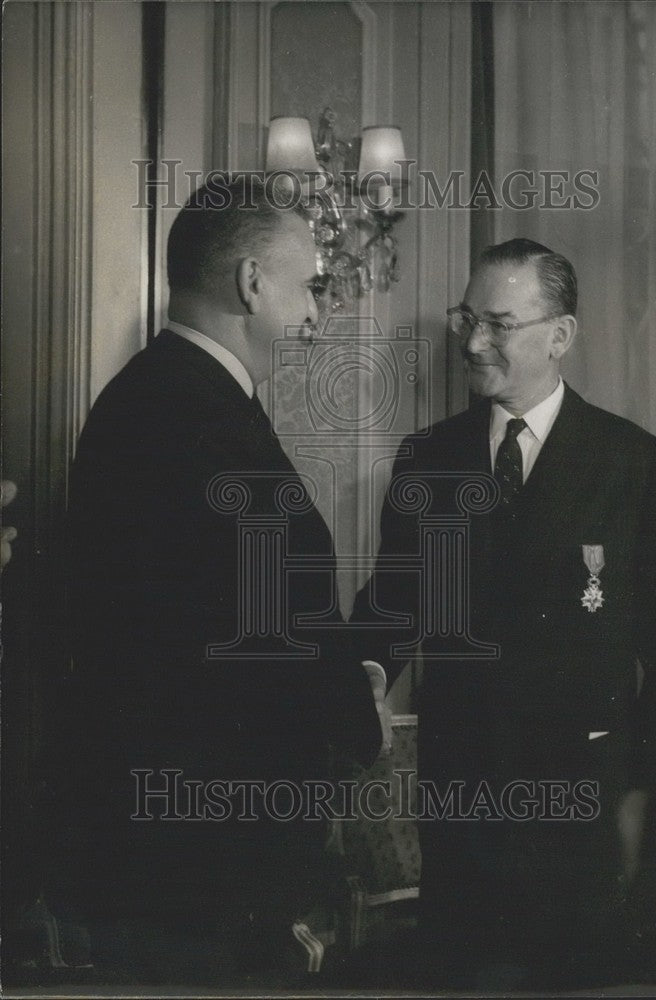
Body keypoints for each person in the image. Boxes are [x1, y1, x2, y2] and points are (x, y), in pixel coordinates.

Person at [54, 176, 383, 978]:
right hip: (205, 866)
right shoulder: (198, 419)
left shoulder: (158, 397)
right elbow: (261, 640)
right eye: (309, 287)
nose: (315, 314)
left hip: (165, 847)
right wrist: (355, 701)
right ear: (250, 283)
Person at [353, 238, 656, 989]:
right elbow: (392, 606)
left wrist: (641, 793)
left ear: (559, 336)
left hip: (584, 814)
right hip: (461, 809)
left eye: (498, 324)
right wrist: (363, 677)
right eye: (468, 319)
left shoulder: (635, 464)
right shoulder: (429, 459)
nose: (473, 342)